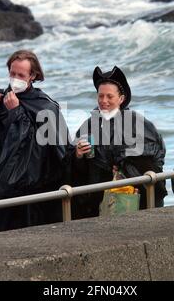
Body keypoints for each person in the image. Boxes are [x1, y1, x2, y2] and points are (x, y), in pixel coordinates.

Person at [0, 50, 72, 233]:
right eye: (12, 73)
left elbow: (47, 153)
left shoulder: (45, 106)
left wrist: (16, 113)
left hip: (30, 190)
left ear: (33, 76)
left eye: (21, 75)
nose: (15, 78)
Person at [71, 66, 167, 219]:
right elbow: (77, 170)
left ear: (121, 99)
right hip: (96, 199)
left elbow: (154, 160)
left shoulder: (138, 123)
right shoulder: (88, 125)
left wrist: (122, 161)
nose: (104, 101)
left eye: (109, 96)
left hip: (132, 197)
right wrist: (77, 155)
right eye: (100, 96)